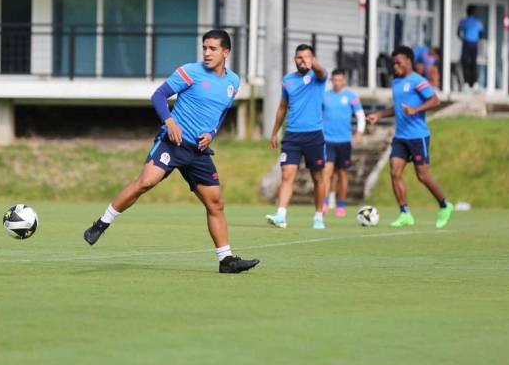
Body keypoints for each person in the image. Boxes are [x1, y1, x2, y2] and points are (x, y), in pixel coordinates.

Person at [82, 30, 259, 274]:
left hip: (198, 151)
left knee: (216, 203)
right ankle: (101, 223)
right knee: (146, 182)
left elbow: (222, 113)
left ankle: (226, 260)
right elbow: (159, 95)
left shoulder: (233, 82)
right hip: (172, 143)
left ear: (226, 52)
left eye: (213, 49)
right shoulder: (190, 72)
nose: (207, 53)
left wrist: (212, 134)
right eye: (204, 47)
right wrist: (169, 121)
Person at [367, 46, 453, 229]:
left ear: (408, 61)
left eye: (398, 63)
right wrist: (379, 115)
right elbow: (396, 107)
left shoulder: (418, 81)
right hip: (400, 137)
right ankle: (405, 213)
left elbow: (435, 100)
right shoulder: (396, 82)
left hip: (418, 136)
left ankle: (445, 205)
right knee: (394, 172)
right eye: (393, 63)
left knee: (422, 176)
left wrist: (416, 109)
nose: (395, 66)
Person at [266, 44, 328, 230]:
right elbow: (283, 106)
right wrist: (275, 131)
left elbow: (322, 71)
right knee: (287, 175)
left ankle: (318, 216)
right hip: (292, 135)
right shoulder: (288, 80)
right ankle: (281, 215)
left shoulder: (318, 78)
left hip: (313, 135)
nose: (303, 60)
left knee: (317, 177)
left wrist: (313, 63)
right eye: (299, 57)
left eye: (306, 57)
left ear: (313, 58)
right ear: (294, 59)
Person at [321, 69, 365, 217]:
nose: (337, 83)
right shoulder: (325, 96)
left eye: (340, 80)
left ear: (344, 81)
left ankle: (341, 206)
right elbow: (317, 114)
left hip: (344, 141)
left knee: (342, 173)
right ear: (331, 81)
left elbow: (360, 115)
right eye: (335, 80)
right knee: (327, 171)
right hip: (327, 140)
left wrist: (359, 132)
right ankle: (325, 203)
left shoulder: (351, 96)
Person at [457, 6, 485, 91]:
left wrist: (463, 38)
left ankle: (466, 83)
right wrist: (476, 39)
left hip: (466, 43)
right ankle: (474, 84)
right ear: (474, 12)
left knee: (465, 64)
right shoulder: (478, 22)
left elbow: (458, 33)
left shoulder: (463, 21)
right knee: (473, 63)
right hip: (474, 44)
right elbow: (482, 34)